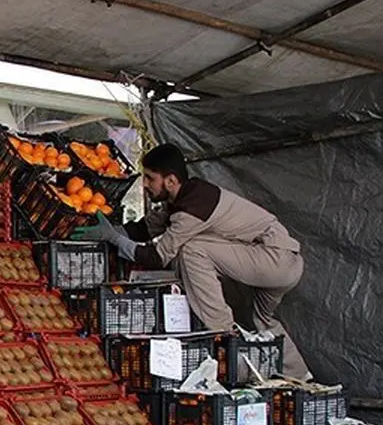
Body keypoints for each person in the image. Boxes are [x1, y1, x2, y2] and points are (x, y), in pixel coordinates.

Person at [75, 142, 312, 381]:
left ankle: (223, 332)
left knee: (192, 250)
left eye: (150, 178)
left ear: (170, 181)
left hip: (276, 258)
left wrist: (114, 239)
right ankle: (302, 377)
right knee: (261, 321)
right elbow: (144, 230)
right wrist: (104, 231)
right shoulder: (181, 200)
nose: (144, 184)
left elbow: (157, 256)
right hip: (283, 262)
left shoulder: (193, 206)